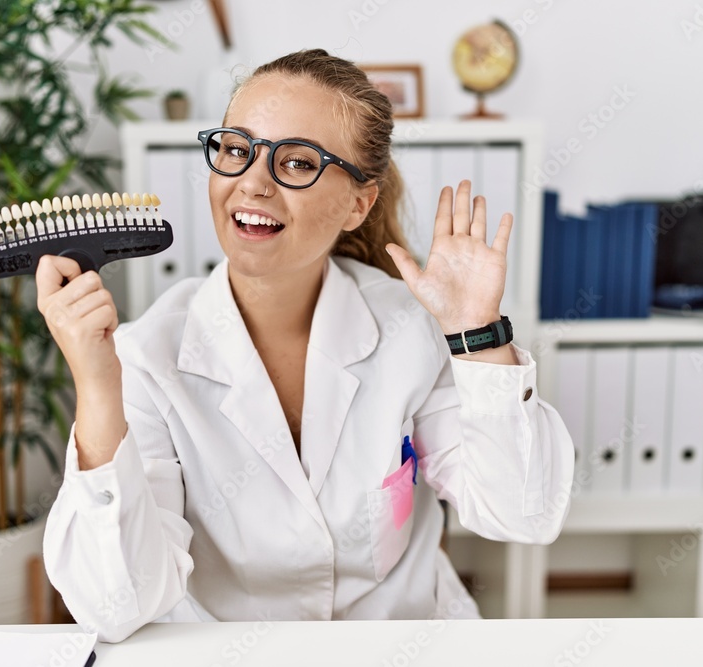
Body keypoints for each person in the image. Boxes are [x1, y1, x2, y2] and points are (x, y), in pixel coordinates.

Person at [36, 49, 574, 643]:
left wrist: (479, 334)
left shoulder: (408, 328)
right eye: (237, 150)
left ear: (358, 204)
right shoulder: (144, 358)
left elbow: (522, 514)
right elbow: (117, 604)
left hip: (403, 642)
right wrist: (95, 385)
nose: (253, 183)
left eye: (297, 162)